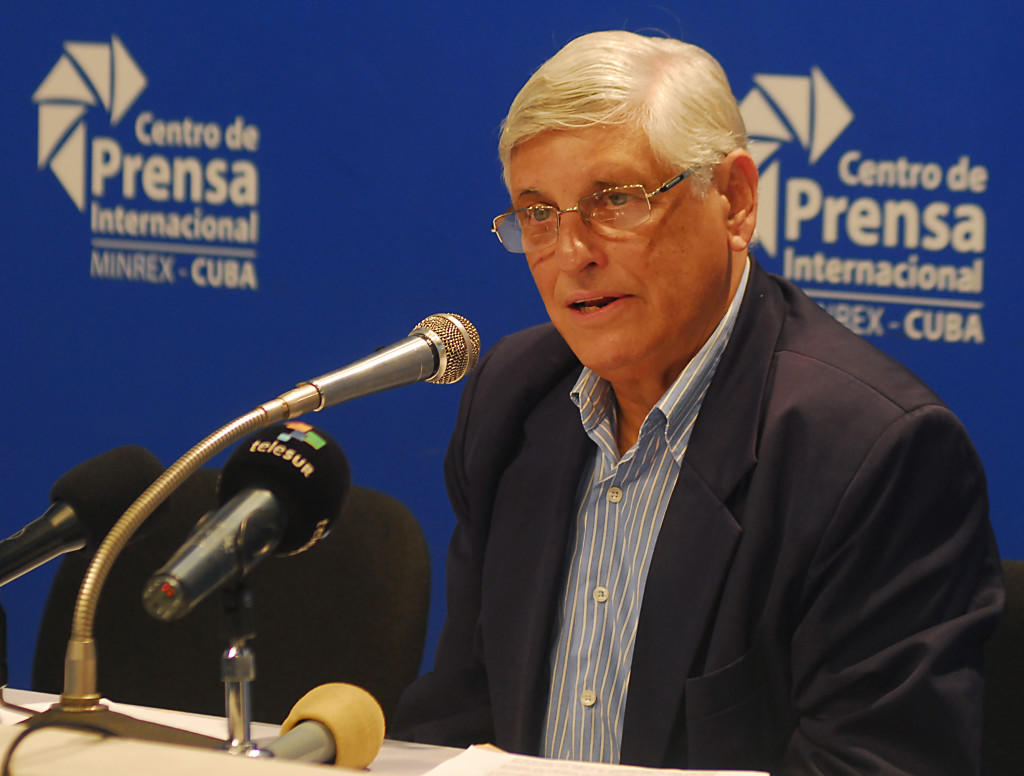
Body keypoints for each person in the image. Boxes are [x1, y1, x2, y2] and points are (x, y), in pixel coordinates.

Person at [392, 30, 1004, 774]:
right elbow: (462, 709)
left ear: (737, 202)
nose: (572, 253)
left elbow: (874, 762)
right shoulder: (514, 400)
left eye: (613, 200)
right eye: (539, 213)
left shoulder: (871, 454)